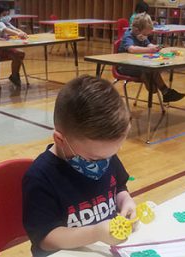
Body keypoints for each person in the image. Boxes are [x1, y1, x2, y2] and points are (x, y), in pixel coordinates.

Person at [23, 75, 137, 257]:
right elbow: (45, 239)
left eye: (111, 155)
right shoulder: (41, 176)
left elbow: (119, 186)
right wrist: (95, 233)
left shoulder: (104, 156)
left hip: (102, 250)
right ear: (60, 140)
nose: (104, 162)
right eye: (93, 159)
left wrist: (125, 201)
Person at [118, 13, 185, 102]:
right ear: (137, 30)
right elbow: (132, 49)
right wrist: (150, 50)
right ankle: (165, 91)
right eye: (145, 34)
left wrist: (156, 47)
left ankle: (165, 91)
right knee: (148, 70)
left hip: (138, 64)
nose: (146, 37)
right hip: (125, 66)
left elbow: (148, 45)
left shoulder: (141, 35)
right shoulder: (128, 36)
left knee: (151, 69)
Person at [0, 5, 28, 87]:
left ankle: (14, 75)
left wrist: (22, 32)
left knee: (21, 54)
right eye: (4, 15)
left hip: (8, 48)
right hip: (0, 49)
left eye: (7, 14)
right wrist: (18, 34)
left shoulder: (7, 23)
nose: (6, 17)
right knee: (18, 54)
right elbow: (7, 30)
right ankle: (15, 75)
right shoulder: (0, 24)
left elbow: (15, 29)